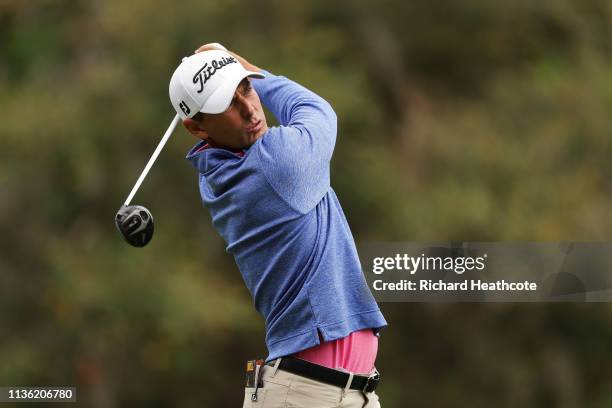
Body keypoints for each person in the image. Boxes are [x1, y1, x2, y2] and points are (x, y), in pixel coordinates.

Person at [168, 43, 387, 408]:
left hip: (341, 393)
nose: (250, 108)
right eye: (228, 104)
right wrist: (254, 69)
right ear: (195, 127)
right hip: (307, 396)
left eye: (247, 88)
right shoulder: (277, 165)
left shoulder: (216, 172)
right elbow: (317, 111)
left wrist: (231, 71)